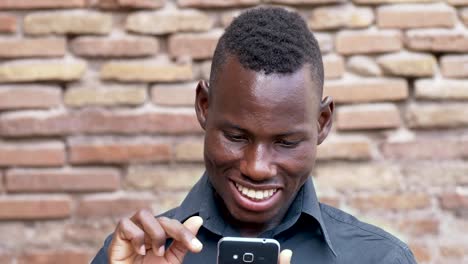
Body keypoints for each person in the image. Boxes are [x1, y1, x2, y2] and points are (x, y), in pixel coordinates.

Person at [91, 7, 417, 264]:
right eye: (236, 136)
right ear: (204, 106)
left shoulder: (380, 259)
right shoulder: (136, 254)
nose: (257, 168)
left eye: (286, 142)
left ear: (322, 122)